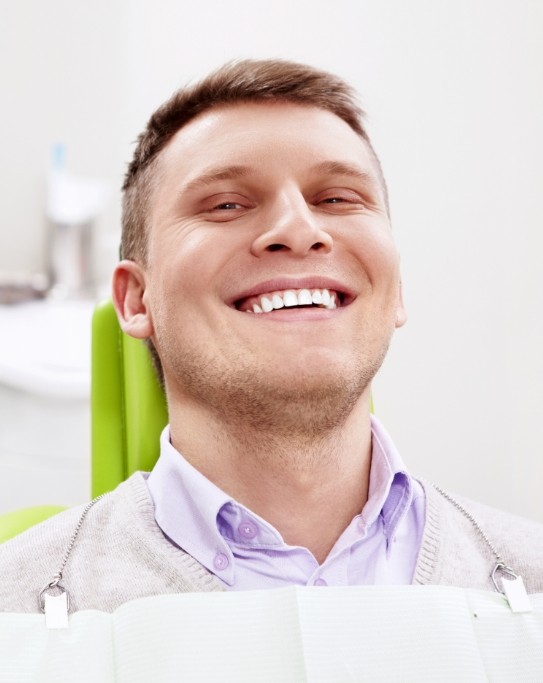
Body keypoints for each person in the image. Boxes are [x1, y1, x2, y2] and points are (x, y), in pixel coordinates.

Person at [1, 59, 542, 614]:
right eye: (227, 204)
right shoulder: (15, 613)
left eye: (336, 199)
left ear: (397, 286)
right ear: (137, 300)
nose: (299, 229)